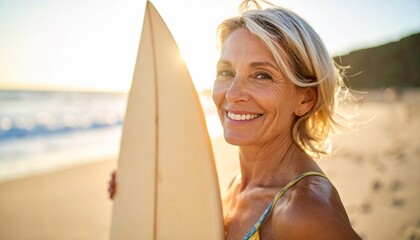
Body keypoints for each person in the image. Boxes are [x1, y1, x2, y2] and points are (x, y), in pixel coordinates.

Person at [109, 0, 362, 239]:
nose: (232, 94)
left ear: (304, 99)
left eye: (262, 75)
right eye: (226, 72)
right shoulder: (237, 186)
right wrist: (140, 201)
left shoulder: (306, 211)